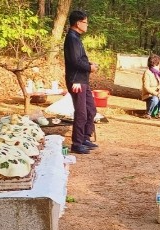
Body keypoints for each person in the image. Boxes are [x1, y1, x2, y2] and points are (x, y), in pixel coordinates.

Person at [63, 10, 99, 155]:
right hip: (77, 81)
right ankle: (76, 143)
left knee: (91, 110)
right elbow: (74, 62)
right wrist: (89, 67)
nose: (87, 25)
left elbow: (79, 59)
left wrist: (89, 63)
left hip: (83, 80)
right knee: (81, 112)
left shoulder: (76, 38)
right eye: (85, 22)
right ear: (78, 23)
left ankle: (85, 137)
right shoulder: (71, 39)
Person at [141, 54, 160, 119]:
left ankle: (159, 112)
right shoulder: (147, 73)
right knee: (155, 99)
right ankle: (148, 113)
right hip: (149, 94)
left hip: (158, 92)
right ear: (156, 64)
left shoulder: (159, 73)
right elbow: (146, 87)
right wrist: (156, 93)